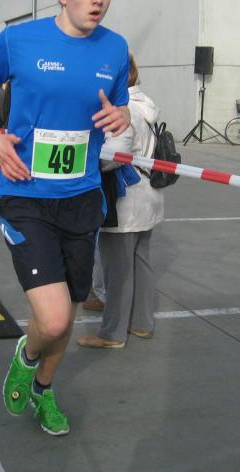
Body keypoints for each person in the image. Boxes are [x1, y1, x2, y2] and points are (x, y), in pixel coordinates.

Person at [0, 0, 131, 436]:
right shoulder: (19, 41)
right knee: (53, 319)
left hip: (83, 197)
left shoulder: (115, 49)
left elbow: (119, 105)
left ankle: (43, 389)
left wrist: (122, 115)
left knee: (70, 308)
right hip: (26, 194)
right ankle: (27, 353)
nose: (98, 0)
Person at [77, 54, 164, 348]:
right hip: (148, 195)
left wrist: (84, 159)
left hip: (125, 199)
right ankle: (142, 323)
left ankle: (112, 333)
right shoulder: (145, 105)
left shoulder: (122, 111)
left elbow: (113, 157)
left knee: (118, 271)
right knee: (141, 263)